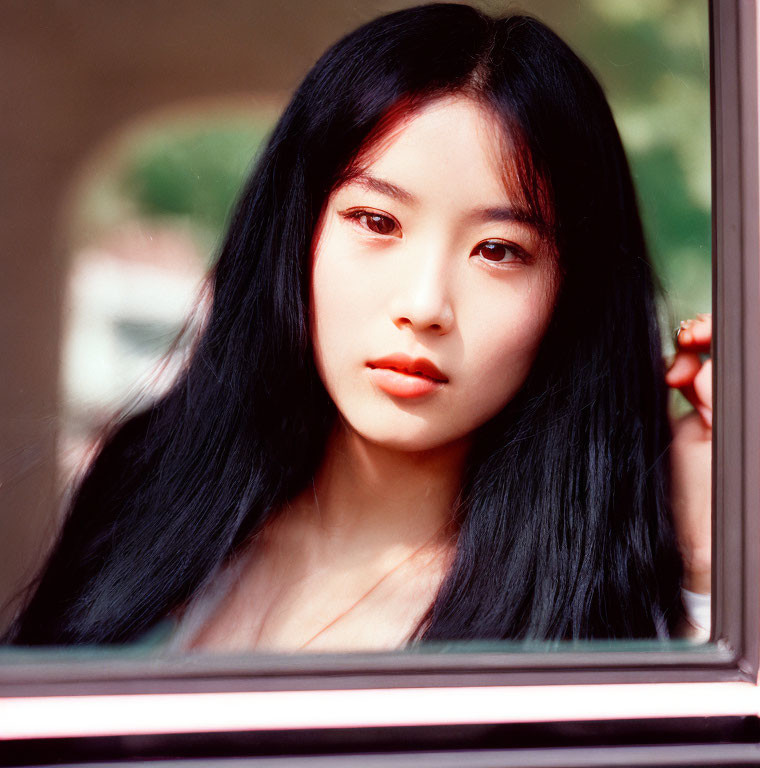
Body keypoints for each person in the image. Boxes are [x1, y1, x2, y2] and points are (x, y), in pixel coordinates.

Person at [7, 3, 711, 650]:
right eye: (377, 222)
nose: (425, 303)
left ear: (569, 297)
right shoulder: (142, 503)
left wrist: (711, 559)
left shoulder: (594, 623)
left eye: (499, 251)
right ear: (296, 233)